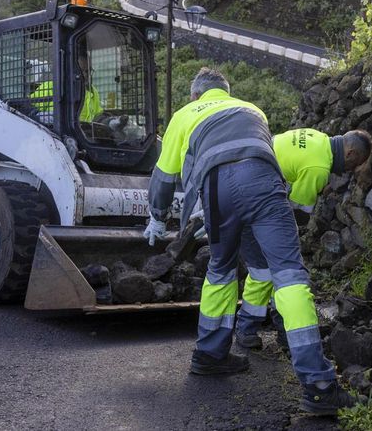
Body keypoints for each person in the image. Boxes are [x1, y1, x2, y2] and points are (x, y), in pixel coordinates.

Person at [143, 68, 356, 415]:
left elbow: (165, 174)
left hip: (214, 186)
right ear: (226, 92)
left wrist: (157, 215)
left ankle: (210, 354)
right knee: (288, 274)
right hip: (260, 178)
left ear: (196, 96)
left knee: (220, 269)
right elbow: (261, 154)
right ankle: (318, 386)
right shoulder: (251, 109)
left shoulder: (184, 115)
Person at [234, 127, 372, 349]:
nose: (350, 170)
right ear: (350, 154)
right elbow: (296, 212)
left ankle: (271, 326)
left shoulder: (316, 136)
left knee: (268, 270)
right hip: (253, 202)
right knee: (275, 272)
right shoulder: (319, 167)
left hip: (239, 184)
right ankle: (253, 328)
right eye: (354, 165)